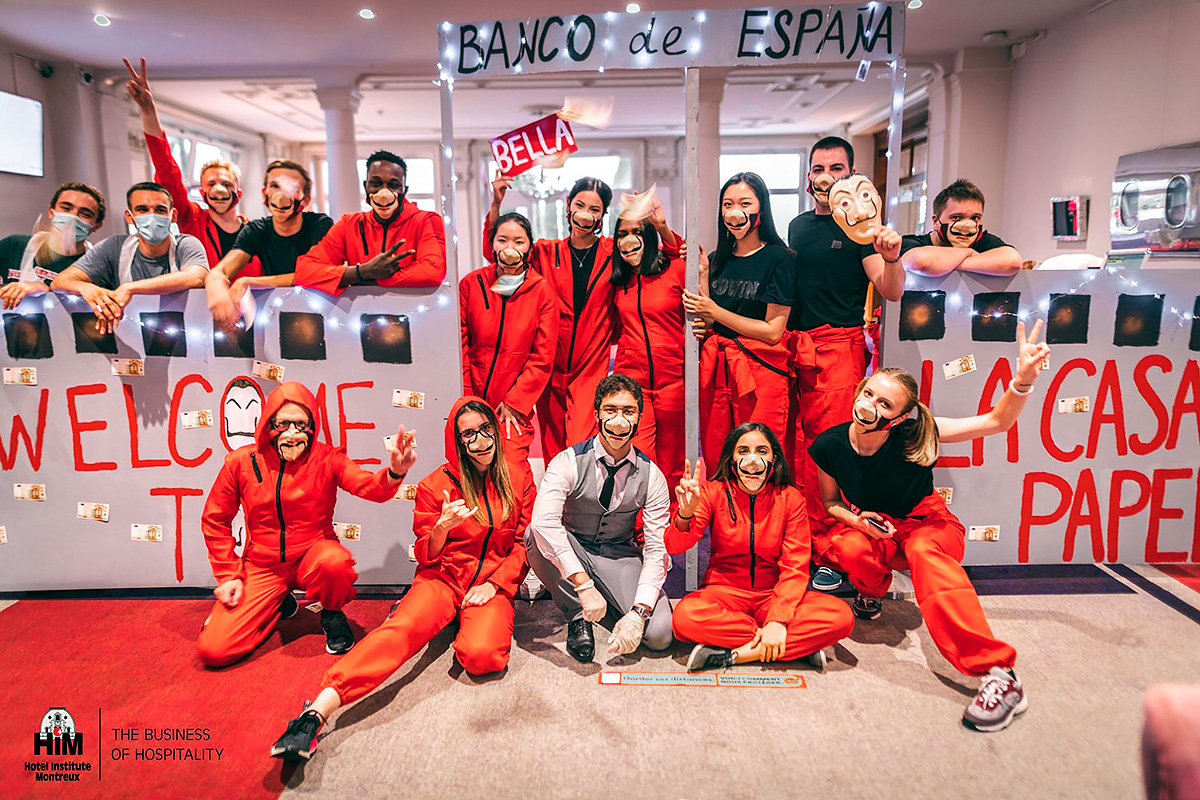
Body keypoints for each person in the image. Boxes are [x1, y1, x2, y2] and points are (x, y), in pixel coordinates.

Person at [809, 320, 1051, 732]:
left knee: (922, 552)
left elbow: (996, 422)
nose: (870, 406)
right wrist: (858, 521)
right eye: (868, 394)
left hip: (930, 526)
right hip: (880, 529)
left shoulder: (918, 431)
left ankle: (999, 673)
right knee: (847, 547)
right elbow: (831, 504)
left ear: (900, 417)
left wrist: (1023, 381)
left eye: (885, 404)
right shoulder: (829, 445)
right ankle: (871, 593)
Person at [270, 397, 532, 761]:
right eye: (468, 434)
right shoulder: (434, 486)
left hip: (489, 583)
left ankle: (460, 623)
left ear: (496, 429)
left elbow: (522, 544)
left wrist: (495, 584)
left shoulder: (518, 477)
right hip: (443, 579)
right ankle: (316, 712)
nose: (480, 440)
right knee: (402, 630)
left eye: (485, 429)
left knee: (482, 657)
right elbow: (426, 553)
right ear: (457, 441)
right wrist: (441, 528)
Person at [198, 381, 416, 668]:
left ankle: (331, 612)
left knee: (334, 563)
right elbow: (215, 519)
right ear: (268, 423)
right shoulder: (240, 462)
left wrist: (394, 473)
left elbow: (367, 486)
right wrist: (228, 575)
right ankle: (277, 603)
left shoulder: (328, 459)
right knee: (214, 650)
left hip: (313, 556)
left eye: (301, 424)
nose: (292, 433)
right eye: (283, 423)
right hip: (263, 566)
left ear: (312, 427)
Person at [483, 175, 681, 457]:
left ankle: (584, 488)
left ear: (603, 215)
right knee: (553, 451)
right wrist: (495, 206)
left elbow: (664, 256)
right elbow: (500, 256)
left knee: (580, 446)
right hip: (551, 366)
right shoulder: (546, 252)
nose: (585, 215)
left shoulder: (614, 252)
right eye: (580, 205)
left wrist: (661, 227)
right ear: (568, 205)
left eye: (594, 209)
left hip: (590, 366)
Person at [785, 136, 904, 593]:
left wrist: (891, 257)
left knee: (830, 450)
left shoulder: (861, 230)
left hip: (838, 349)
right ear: (808, 177)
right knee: (796, 449)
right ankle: (806, 542)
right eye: (819, 168)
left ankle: (834, 552)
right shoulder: (797, 226)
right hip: (794, 349)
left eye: (837, 168)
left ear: (851, 176)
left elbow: (890, 289)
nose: (826, 176)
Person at [669, 423, 853, 671]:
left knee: (840, 616)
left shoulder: (790, 498)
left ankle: (736, 654)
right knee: (684, 616)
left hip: (774, 593)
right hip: (724, 591)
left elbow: (795, 566)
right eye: (743, 451)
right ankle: (784, 646)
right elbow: (675, 545)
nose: (753, 459)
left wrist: (777, 619)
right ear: (731, 459)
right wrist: (684, 514)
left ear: (774, 459)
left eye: (761, 451)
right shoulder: (712, 492)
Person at [526, 373, 674, 662]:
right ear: (597, 415)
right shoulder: (568, 461)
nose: (619, 420)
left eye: (628, 411)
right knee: (535, 532)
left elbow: (658, 548)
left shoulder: (652, 475)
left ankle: (612, 601)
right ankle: (577, 613)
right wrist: (582, 583)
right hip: (574, 547)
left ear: (639, 418)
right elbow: (544, 522)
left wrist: (639, 611)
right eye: (611, 410)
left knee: (659, 635)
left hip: (619, 554)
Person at [682, 171, 795, 466]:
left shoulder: (779, 258)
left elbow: (773, 331)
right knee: (717, 451)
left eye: (745, 204)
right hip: (718, 370)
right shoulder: (718, 258)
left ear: (761, 208)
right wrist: (703, 273)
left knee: (758, 454)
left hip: (761, 371)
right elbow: (710, 321)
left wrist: (714, 312)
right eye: (728, 204)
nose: (735, 212)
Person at [124, 58, 250, 270]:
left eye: (226, 184)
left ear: (238, 193)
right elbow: (166, 169)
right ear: (202, 192)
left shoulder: (253, 230)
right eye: (211, 184)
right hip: (201, 291)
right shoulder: (192, 218)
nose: (219, 189)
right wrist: (148, 110)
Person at [459, 212, 556, 484]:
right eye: (502, 240)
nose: (510, 248)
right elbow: (460, 344)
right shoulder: (471, 284)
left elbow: (543, 356)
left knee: (513, 476)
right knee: (470, 474)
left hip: (512, 407)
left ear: (529, 248)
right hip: (472, 399)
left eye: (519, 241)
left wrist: (515, 402)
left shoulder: (542, 291)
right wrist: (467, 398)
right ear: (492, 244)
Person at [50, 182, 209, 333]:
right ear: (129, 216)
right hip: (130, 337)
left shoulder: (185, 244)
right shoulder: (114, 247)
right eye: (142, 209)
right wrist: (86, 288)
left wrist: (130, 288)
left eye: (160, 210)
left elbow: (196, 277)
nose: (152, 216)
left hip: (188, 336)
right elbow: (60, 281)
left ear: (173, 215)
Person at [611, 193, 686, 492]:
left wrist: (663, 226)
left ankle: (673, 518)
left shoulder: (675, 269)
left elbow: (685, 253)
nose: (628, 240)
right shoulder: (619, 281)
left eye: (636, 232)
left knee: (673, 462)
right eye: (622, 234)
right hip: (633, 384)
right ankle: (640, 519)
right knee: (637, 460)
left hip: (674, 381)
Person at [294, 150, 446, 296]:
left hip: (413, 311)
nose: (384, 194)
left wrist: (371, 278)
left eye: (393, 185)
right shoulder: (349, 224)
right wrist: (361, 272)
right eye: (376, 183)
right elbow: (304, 271)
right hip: (361, 312)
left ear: (404, 191)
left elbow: (433, 271)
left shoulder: (426, 221)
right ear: (366, 186)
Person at [206, 160, 334, 327]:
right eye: (274, 186)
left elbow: (313, 273)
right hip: (276, 316)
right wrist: (216, 287)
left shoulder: (319, 224)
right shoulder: (257, 230)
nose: (281, 195)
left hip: (321, 315)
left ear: (306, 199)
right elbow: (221, 271)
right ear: (264, 193)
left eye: (291, 187)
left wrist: (251, 282)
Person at [1, 182, 106, 309]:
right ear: (51, 212)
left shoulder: (99, 268)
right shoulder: (13, 246)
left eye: (85, 214)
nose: (73, 217)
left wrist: (44, 290)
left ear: (97, 226)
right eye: (66, 208)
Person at [900, 179, 1023, 277]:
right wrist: (968, 253)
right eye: (956, 217)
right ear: (936, 221)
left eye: (975, 218)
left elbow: (1013, 261)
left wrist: (947, 265)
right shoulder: (912, 243)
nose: (967, 225)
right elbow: (921, 263)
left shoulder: (982, 241)